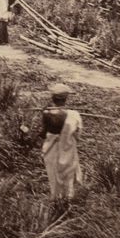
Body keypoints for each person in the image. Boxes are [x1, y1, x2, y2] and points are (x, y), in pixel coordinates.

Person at [38, 82, 83, 212]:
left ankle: (56, 200)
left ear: (52, 98)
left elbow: (43, 133)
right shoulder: (74, 115)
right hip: (67, 147)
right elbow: (78, 133)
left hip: (51, 147)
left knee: (53, 173)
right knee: (68, 174)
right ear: (66, 98)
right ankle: (67, 200)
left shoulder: (47, 113)